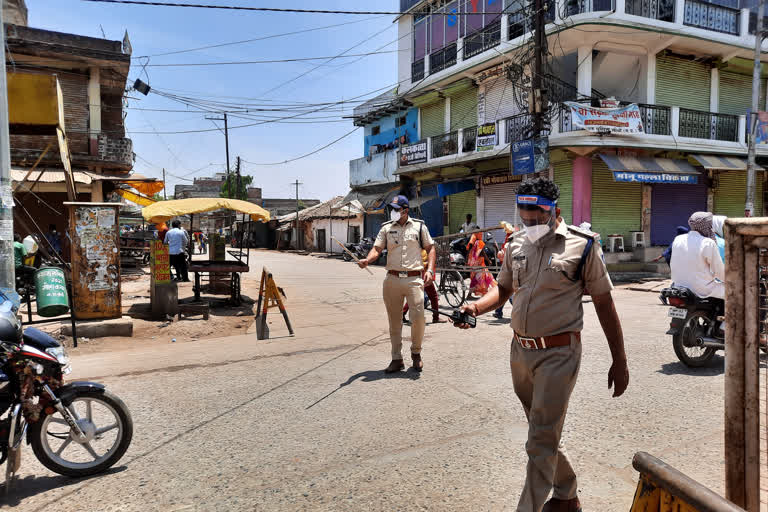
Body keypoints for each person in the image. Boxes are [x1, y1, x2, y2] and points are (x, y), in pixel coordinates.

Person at [453, 178, 629, 512]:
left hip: (559, 354)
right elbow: (503, 290)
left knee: (539, 440)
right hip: (520, 353)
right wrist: (474, 307)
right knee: (542, 435)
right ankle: (567, 495)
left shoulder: (583, 245)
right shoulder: (516, 244)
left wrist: (619, 360)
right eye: (525, 213)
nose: (531, 221)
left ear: (555, 211)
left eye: (538, 214)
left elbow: (605, 304)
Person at [358, 195, 436, 373]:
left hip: (414, 278)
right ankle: (396, 358)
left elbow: (430, 248)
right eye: (391, 208)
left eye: (395, 209)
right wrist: (367, 260)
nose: (392, 212)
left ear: (405, 210)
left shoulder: (419, 226)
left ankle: (416, 353)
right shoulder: (386, 228)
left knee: (418, 318)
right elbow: (377, 249)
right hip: (392, 279)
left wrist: (430, 270)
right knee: (394, 322)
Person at [670, 212, 724, 300]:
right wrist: (731, 280)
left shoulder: (678, 239)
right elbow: (718, 271)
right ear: (708, 226)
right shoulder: (707, 242)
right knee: (734, 291)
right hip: (702, 289)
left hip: (678, 286)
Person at [402, 249, 447, 324]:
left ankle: (402, 314)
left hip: (416, 273)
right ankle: (436, 318)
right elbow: (425, 262)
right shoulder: (425, 249)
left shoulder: (415, 248)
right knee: (433, 296)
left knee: (414, 296)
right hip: (423, 273)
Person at [493, 222, 518, 319]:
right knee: (505, 291)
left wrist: (497, 249)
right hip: (512, 271)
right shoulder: (516, 243)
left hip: (509, 271)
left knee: (507, 293)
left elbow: (501, 256)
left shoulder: (508, 244)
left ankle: (519, 311)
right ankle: (498, 311)